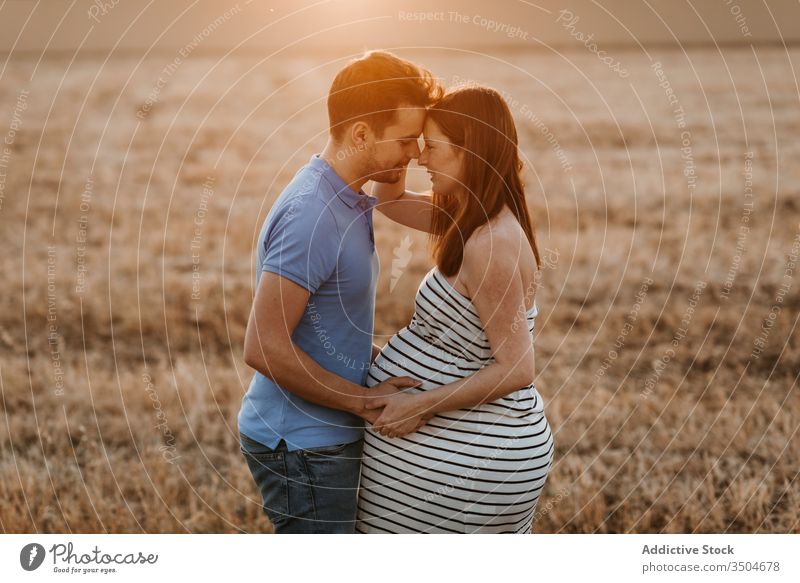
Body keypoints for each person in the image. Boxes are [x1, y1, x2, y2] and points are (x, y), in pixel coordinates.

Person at [238, 50, 443, 533]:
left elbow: (320, 325)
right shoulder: (312, 214)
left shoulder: (349, 197)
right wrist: (366, 403)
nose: (415, 152)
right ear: (361, 134)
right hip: (303, 447)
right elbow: (264, 346)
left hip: (322, 437)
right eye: (406, 139)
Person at [355, 84, 555, 533]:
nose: (421, 159)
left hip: (476, 460)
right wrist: (400, 143)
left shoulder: (491, 243)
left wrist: (419, 405)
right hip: (459, 455)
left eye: (433, 148)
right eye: (420, 147)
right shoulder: (467, 217)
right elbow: (389, 201)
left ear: (470, 150)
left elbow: (517, 368)